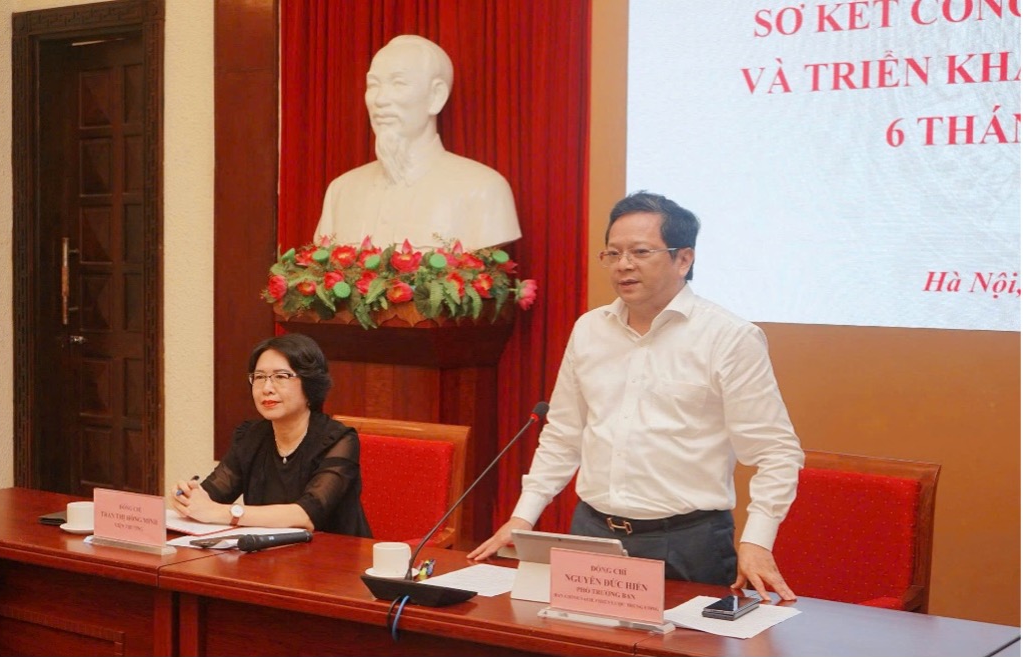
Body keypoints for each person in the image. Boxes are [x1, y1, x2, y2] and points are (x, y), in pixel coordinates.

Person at [469, 191, 804, 601]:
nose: (623, 264)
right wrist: (524, 516)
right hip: (592, 533)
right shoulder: (589, 330)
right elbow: (564, 435)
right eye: (613, 253)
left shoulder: (729, 337)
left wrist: (757, 540)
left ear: (684, 259)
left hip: (687, 542)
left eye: (640, 252)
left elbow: (777, 451)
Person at [312, 34, 522, 251]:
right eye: (373, 85)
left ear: (436, 96)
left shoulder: (482, 189)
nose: (380, 100)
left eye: (398, 84)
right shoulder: (342, 191)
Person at [171, 333, 372, 536]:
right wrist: (188, 497)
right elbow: (212, 496)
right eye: (259, 377)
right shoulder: (250, 436)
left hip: (333, 553)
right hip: (269, 552)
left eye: (281, 377)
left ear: (309, 384)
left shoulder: (339, 440)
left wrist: (224, 513)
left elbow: (306, 515)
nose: (267, 388)